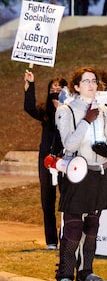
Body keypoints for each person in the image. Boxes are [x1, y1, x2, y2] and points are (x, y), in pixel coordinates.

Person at [53, 67, 107, 281]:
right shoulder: (66, 110)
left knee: (92, 225)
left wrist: (106, 151)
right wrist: (86, 121)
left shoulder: (104, 111)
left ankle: (86, 272)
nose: (91, 85)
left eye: (94, 81)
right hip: (76, 174)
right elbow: (69, 144)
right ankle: (64, 275)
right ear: (77, 86)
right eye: (86, 81)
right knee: (73, 226)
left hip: (97, 173)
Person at [23, 69, 68, 250]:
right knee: (47, 200)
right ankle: (51, 241)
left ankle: (66, 237)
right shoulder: (45, 111)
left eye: (59, 88)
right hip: (46, 160)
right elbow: (29, 107)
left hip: (65, 160)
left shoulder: (71, 111)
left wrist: (62, 109)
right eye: (52, 88)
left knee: (66, 200)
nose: (55, 91)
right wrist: (30, 84)